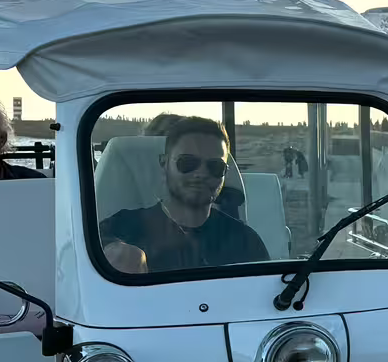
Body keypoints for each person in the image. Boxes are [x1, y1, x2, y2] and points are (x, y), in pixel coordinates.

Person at [99, 117, 269, 274]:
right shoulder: (120, 228)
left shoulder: (245, 241)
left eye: (215, 166)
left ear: (225, 173)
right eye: (188, 163)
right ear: (164, 164)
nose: (201, 173)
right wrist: (114, 254)